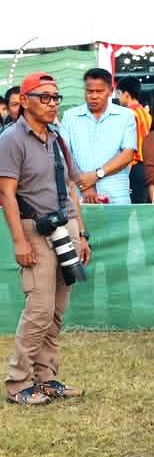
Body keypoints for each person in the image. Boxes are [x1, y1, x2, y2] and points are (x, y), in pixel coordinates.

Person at [0, 72, 90, 405]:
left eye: (56, 98)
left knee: (56, 309)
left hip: (64, 228)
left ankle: (46, 377)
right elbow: (7, 195)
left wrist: (81, 233)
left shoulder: (57, 137)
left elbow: (70, 188)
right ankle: (18, 382)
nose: (53, 103)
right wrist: (19, 241)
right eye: (45, 97)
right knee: (39, 309)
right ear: (24, 101)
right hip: (33, 230)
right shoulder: (11, 139)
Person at [60, 68, 137, 205]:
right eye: (89, 91)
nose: (94, 96)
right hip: (79, 194)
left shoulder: (126, 116)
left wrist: (96, 175)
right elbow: (64, 155)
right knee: (81, 227)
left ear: (111, 90)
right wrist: (85, 185)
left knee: (118, 227)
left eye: (100, 91)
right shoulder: (70, 116)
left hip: (117, 197)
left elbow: (127, 155)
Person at [117, 77, 152, 204]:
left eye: (119, 94)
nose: (119, 98)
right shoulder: (146, 113)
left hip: (134, 167)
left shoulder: (128, 114)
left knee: (130, 209)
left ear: (126, 94)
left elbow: (130, 147)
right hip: (148, 167)